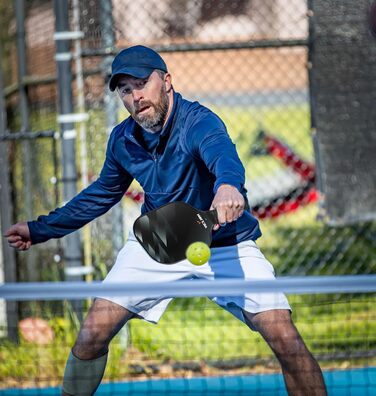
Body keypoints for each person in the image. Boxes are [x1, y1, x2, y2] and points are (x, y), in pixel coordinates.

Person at [5, 45, 327, 396]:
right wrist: (39, 229)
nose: (135, 96)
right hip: (159, 240)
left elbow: (223, 156)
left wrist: (228, 187)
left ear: (167, 81)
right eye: (126, 90)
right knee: (92, 334)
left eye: (142, 83)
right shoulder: (122, 140)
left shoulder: (199, 122)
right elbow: (101, 195)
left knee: (287, 340)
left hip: (225, 244)